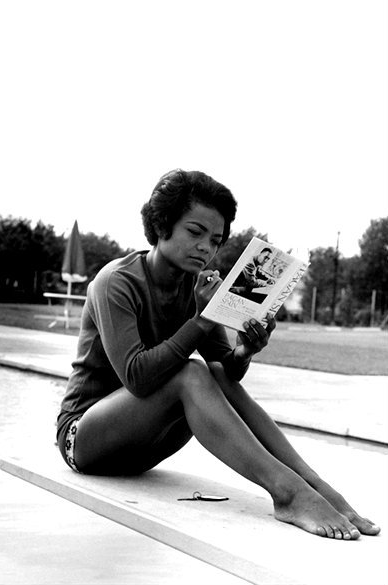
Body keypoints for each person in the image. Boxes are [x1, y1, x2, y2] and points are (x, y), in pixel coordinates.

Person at [57, 169, 380, 540]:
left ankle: (311, 481)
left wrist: (244, 351)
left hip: (144, 447)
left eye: (215, 240)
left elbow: (226, 373)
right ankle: (287, 492)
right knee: (191, 373)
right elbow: (138, 377)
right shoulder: (116, 281)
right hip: (85, 439)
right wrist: (202, 319)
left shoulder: (197, 287)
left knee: (216, 374)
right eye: (195, 232)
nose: (205, 248)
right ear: (162, 225)